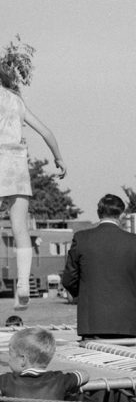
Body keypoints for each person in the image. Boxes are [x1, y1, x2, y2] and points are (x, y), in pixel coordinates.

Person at [0, 40, 67, 310]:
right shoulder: (16, 100)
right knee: (20, 229)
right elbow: (46, 131)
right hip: (16, 162)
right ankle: (24, 283)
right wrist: (59, 158)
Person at [61, 194, 136, 339]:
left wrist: (85, 294)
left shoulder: (81, 239)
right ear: (121, 214)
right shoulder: (135, 242)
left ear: (99, 213)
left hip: (92, 321)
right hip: (126, 323)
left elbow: (68, 279)